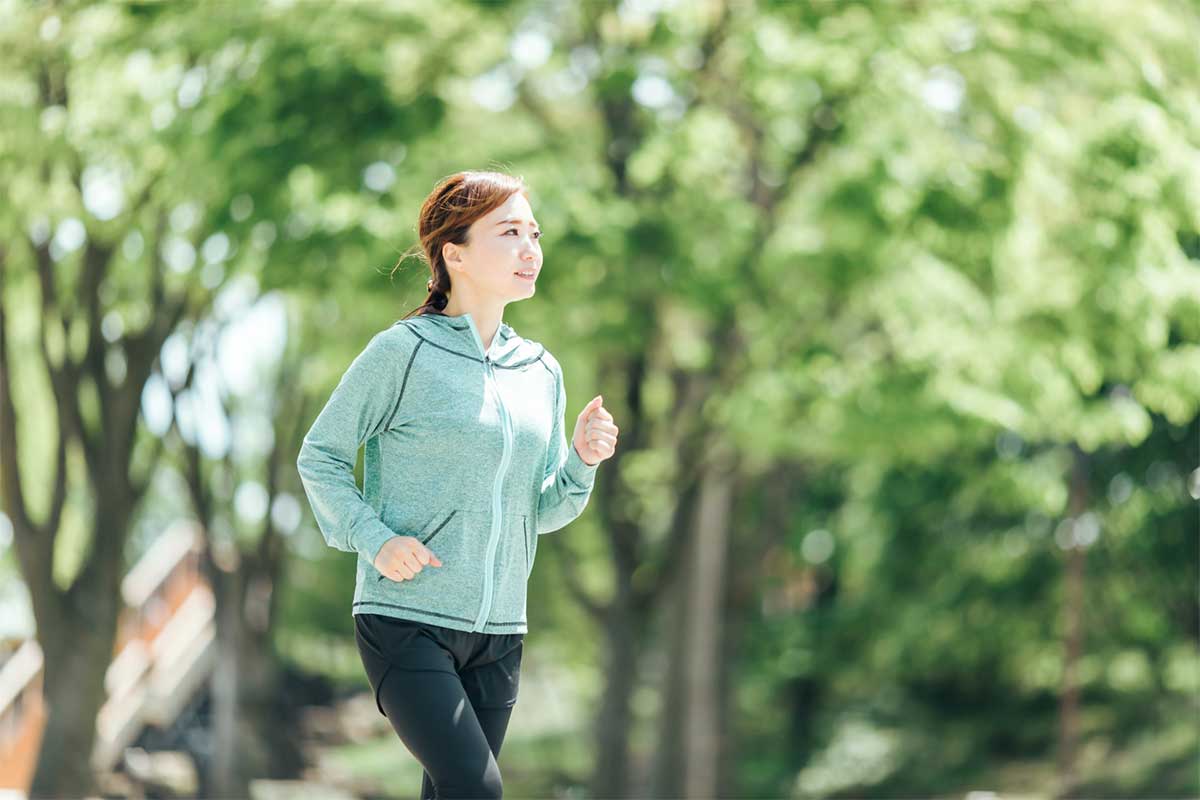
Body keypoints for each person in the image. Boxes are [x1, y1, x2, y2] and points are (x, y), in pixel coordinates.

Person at [296, 170, 619, 799]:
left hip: (500, 632)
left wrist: (581, 460)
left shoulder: (540, 371)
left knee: (450, 794)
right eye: (509, 232)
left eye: (534, 233)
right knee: (476, 789)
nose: (531, 249)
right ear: (455, 253)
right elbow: (321, 456)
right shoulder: (403, 352)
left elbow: (544, 510)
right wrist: (375, 539)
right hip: (405, 617)